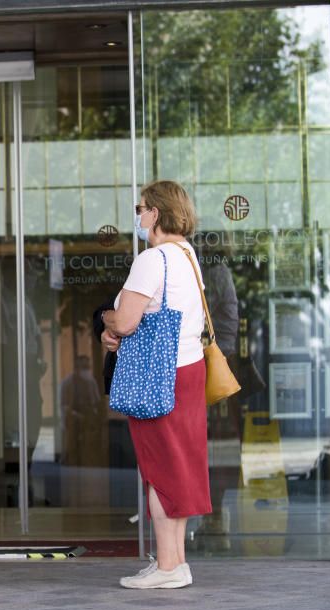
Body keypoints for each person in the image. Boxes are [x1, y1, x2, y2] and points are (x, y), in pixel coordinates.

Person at [102, 180, 210, 589]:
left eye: (141, 207)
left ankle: (167, 566)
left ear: (157, 213)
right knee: (177, 464)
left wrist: (108, 323)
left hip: (157, 374)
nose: (138, 215)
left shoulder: (153, 258)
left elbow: (126, 321)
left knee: (159, 469)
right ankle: (175, 561)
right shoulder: (187, 256)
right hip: (187, 371)